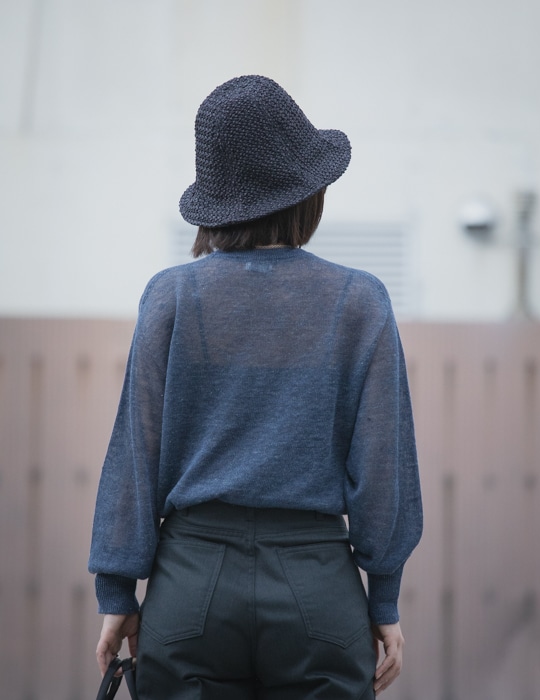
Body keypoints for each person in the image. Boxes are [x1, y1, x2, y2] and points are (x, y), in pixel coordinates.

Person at [89, 75, 422, 699]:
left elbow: (135, 455)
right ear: (307, 195)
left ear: (214, 202)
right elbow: (383, 466)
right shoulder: (360, 301)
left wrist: (118, 592)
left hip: (189, 587)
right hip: (318, 590)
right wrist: (384, 599)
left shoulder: (170, 296)